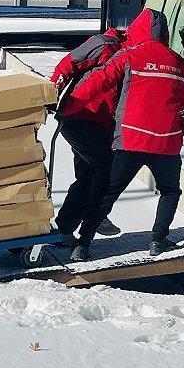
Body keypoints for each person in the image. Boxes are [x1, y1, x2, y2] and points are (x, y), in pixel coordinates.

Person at [68, 9, 184, 261]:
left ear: (137, 29)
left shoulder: (129, 56)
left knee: (109, 192)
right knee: (170, 191)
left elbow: (98, 80)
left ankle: (82, 245)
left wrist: (68, 107)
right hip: (167, 142)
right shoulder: (180, 63)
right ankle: (158, 241)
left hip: (132, 138)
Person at [51, 27, 126, 246]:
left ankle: (69, 226)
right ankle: (89, 216)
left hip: (99, 121)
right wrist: (51, 94)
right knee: (103, 170)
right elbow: (68, 64)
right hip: (81, 116)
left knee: (88, 176)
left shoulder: (130, 53)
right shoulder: (104, 43)